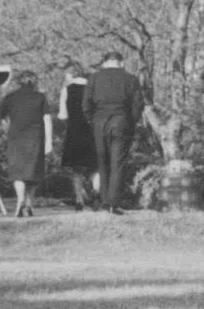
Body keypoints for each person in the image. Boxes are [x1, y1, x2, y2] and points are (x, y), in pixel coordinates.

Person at [0, 70, 52, 218]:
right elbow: (47, 120)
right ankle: (29, 204)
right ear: (33, 82)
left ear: (19, 82)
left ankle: (20, 200)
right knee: (33, 173)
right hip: (35, 139)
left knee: (18, 173)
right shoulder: (40, 97)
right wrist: (49, 142)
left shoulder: (11, 97)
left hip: (16, 139)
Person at [82, 51, 145, 215]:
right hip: (121, 120)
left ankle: (104, 202)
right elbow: (138, 105)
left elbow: (86, 104)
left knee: (102, 162)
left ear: (105, 62)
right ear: (121, 62)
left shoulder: (94, 78)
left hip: (99, 121)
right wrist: (130, 123)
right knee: (118, 163)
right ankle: (113, 203)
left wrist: (92, 120)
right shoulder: (131, 79)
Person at [56, 64, 100, 210]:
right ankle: (96, 193)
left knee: (77, 169)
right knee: (95, 167)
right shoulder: (94, 89)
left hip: (74, 131)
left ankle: (79, 200)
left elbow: (63, 115)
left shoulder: (66, 90)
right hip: (92, 131)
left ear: (71, 75)